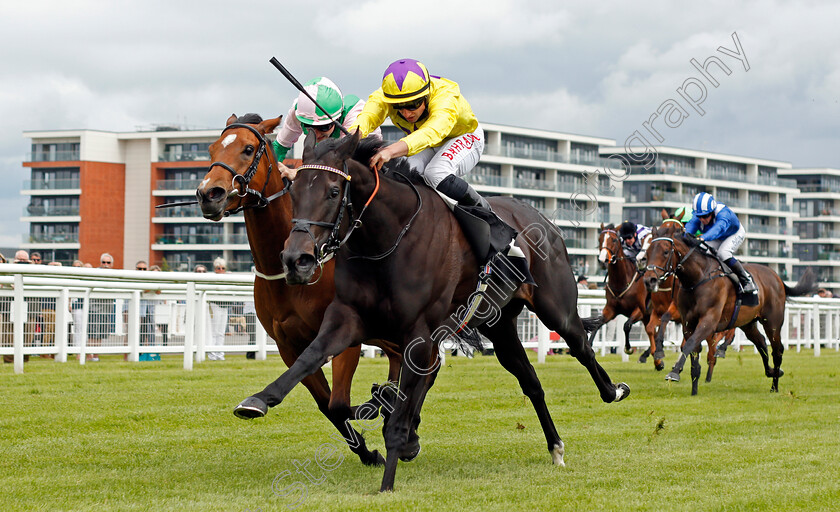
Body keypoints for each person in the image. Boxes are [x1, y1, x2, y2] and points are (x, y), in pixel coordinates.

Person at [346, 58, 517, 265]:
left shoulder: (446, 96)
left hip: (464, 137)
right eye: (399, 107)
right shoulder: (382, 97)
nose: (407, 113)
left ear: (426, 95)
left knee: (435, 173)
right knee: (401, 177)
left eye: (413, 105)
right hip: (426, 142)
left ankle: (487, 215)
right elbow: (367, 119)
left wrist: (390, 151)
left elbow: (432, 132)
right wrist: (349, 139)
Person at [273, 76, 381, 173]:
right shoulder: (299, 112)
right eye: (309, 126)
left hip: (364, 163)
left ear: (338, 118)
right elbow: (279, 148)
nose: (316, 133)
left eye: (323, 127)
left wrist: (297, 172)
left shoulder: (355, 116)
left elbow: (341, 165)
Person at [685, 192, 757, 296]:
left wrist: (702, 238)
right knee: (701, 250)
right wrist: (685, 237)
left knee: (723, 253)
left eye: (705, 216)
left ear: (712, 211)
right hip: (717, 236)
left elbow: (718, 229)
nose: (702, 219)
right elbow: (690, 228)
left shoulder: (723, 213)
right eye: (699, 216)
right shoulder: (700, 216)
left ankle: (746, 280)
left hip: (733, 234)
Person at [206, 258, 228, 361]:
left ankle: (220, 354)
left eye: (223, 268)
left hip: (225, 306)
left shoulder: (228, 279)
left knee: (221, 332)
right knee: (214, 332)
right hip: (215, 305)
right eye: (218, 268)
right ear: (215, 269)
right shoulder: (212, 278)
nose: (221, 270)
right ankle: (212, 354)